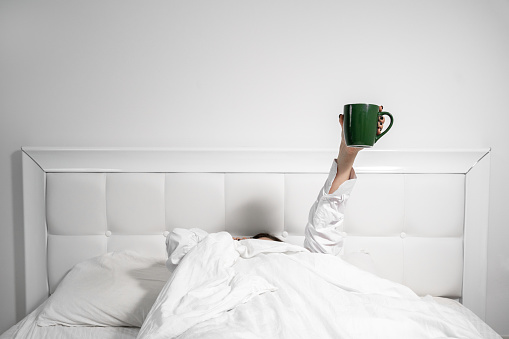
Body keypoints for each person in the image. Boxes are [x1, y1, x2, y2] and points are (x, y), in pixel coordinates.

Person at [245, 106, 385, 256]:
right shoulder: (225, 253)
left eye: (268, 248)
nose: (260, 250)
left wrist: (348, 151)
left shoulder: (298, 262)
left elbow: (322, 237)